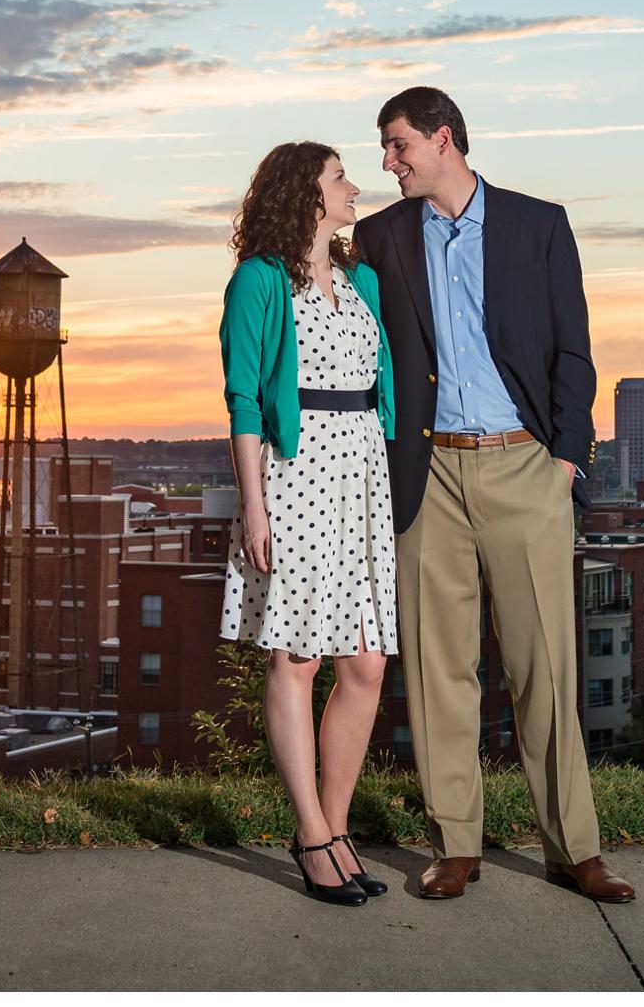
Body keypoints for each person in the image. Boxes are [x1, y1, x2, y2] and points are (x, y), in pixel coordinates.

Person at [353, 85, 634, 904]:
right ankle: (456, 846)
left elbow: (573, 352)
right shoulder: (378, 237)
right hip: (427, 475)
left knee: (544, 663)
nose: (388, 162)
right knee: (441, 668)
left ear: (444, 140)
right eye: (383, 148)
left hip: (525, 468)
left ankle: (573, 848)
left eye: (398, 145)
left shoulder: (538, 225)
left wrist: (567, 462)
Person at [219, 140, 399, 906]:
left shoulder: (362, 281)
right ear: (305, 193)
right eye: (339, 177)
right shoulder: (259, 281)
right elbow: (245, 400)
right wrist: (254, 504)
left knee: (365, 664)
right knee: (296, 660)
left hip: (362, 476)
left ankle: (336, 824)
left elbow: (378, 384)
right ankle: (310, 833)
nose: (355, 187)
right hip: (294, 479)